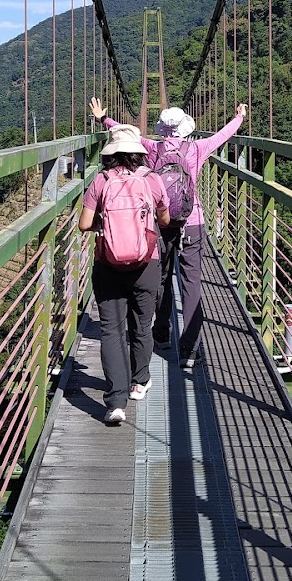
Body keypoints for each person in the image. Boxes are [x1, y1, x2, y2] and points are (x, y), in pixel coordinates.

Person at [90, 96, 246, 370]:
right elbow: (223, 136)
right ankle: (189, 350)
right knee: (191, 283)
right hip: (191, 222)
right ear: (186, 127)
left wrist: (104, 118)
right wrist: (239, 117)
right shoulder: (198, 148)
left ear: (162, 128)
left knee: (160, 278)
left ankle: (161, 334)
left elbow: (125, 133)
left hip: (158, 223)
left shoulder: (150, 148)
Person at [78, 123, 170, 425]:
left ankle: (115, 401)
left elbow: (84, 224)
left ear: (110, 155)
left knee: (111, 331)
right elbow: (165, 219)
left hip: (108, 264)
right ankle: (139, 382)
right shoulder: (152, 179)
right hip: (147, 262)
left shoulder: (100, 181)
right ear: (138, 154)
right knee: (143, 324)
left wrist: (109, 227)